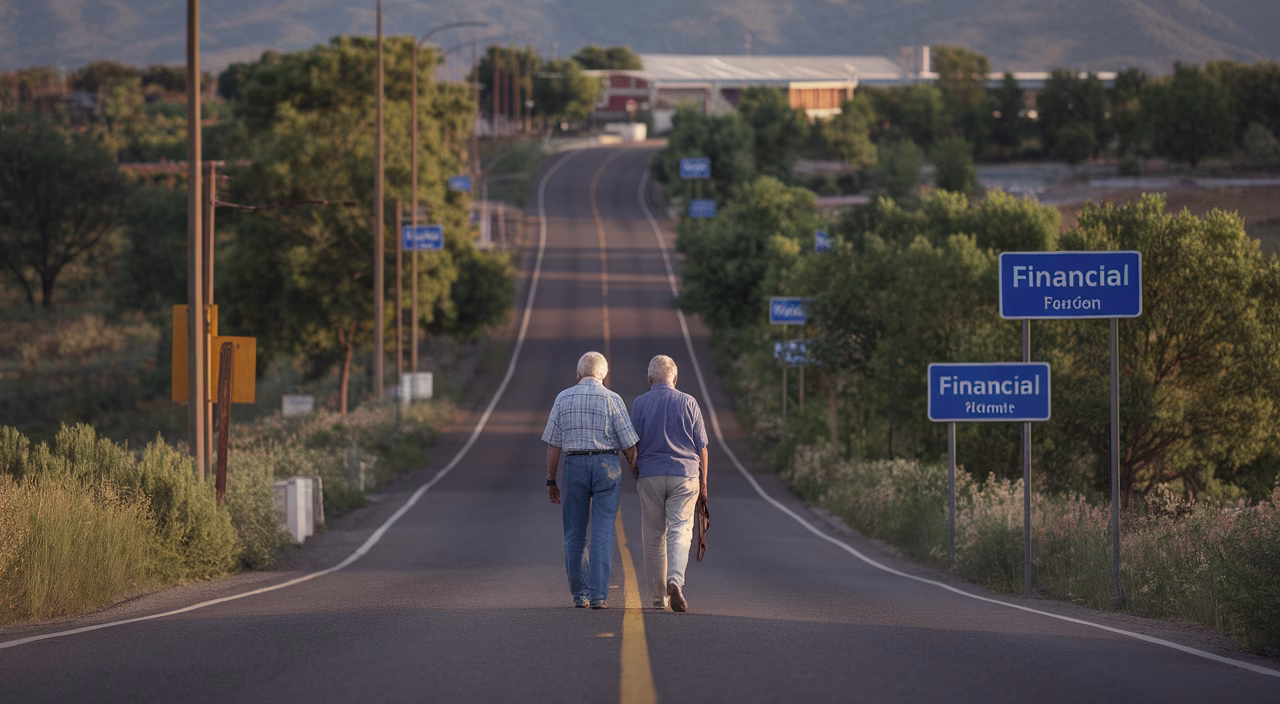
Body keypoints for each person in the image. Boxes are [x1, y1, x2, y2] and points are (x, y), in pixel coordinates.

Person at [542, 351, 639, 610]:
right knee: (603, 530)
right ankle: (599, 596)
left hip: (574, 465)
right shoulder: (612, 399)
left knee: (574, 534)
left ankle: (580, 596)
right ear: (603, 374)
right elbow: (630, 445)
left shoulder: (563, 398)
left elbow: (554, 444)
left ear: (578, 373)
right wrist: (638, 477)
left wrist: (551, 480)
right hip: (607, 464)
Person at [630, 355, 709, 612]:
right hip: (685, 475)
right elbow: (702, 447)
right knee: (680, 530)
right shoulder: (689, 402)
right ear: (675, 378)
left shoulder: (640, 404)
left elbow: (632, 446)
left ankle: (657, 597)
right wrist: (704, 484)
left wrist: (636, 472)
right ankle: (675, 580)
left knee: (653, 535)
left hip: (650, 474)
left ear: (649, 379)